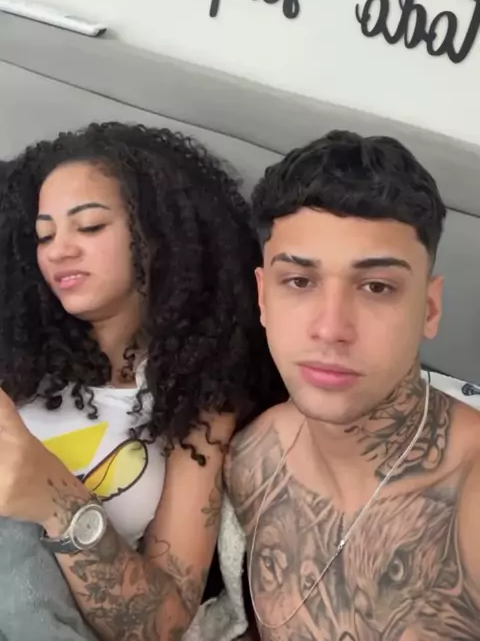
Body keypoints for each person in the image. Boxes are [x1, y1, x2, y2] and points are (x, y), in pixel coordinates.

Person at [0, 121, 284, 641]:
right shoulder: (15, 354)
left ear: (158, 235)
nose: (59, 250)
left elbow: (164, 623)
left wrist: (54, 496)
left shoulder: (199, 402)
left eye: (89, 227)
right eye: (44, 235)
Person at [224, 130, 480, 639]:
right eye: (299, 281)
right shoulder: (253, 458)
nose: (331, 328)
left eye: (377, 287)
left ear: (429, 309)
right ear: (263, 298)